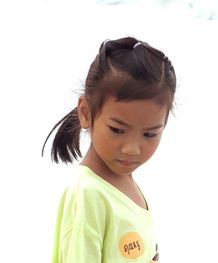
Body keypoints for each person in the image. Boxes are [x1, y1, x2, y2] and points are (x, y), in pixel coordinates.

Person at [42, 37, 176, 263]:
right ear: (86, 113)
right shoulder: (88, 195)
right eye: (117, 129)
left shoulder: (121, 181)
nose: (132, 149)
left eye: (150, 134)